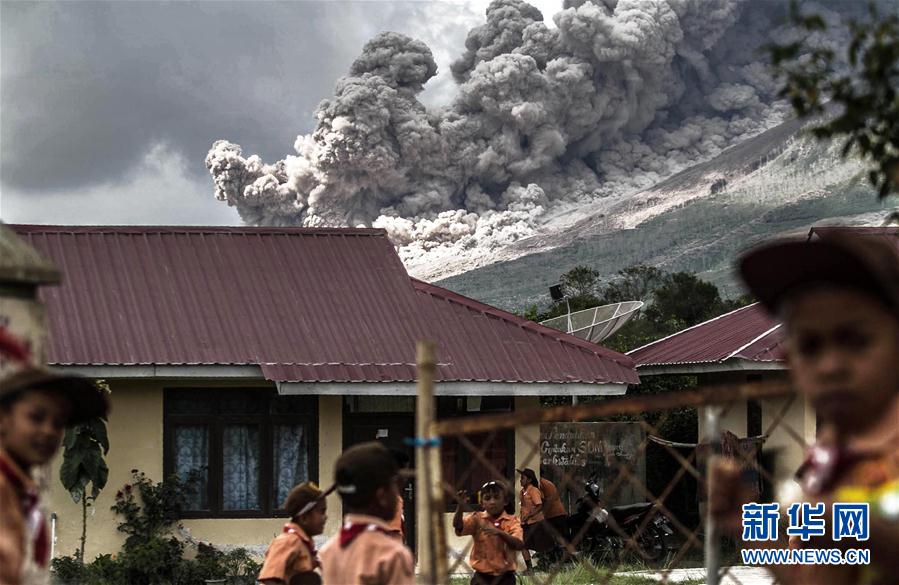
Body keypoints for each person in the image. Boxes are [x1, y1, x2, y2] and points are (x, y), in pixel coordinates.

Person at [711, 232, 899, 585]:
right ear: (790, 362)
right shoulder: (828, 457)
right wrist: (749, 527)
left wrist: (855, 525)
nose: (830, 366)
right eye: (810, 346)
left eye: (855, 340)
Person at [0, 366, 109, 585]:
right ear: (4, 418)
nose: (49, 431)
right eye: (36, 417)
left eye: (58, 423)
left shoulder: (21, 492)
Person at [319, 442, 414, 585]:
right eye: (394, 485)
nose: (398, 491)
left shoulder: (328, 551)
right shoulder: (392, 555)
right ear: (382, 495)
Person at [453, 480, 524, 585]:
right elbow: (458, 526)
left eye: (496, 497)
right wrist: (460, 507)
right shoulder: (477, 518)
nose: (492, 502)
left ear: (505, 501)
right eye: (487, 498)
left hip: (505, 577)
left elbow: (518, 544)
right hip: (482, 577)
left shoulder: (513, 521)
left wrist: (500, 533)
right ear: (482, 503)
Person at [258, 481, 328, 585]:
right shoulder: (288, 541)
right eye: (322, 512)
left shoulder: (304, 543)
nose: (325, 517)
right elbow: (270, 579)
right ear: (304, 518)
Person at [516, 468, 549, 572]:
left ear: (529, 480)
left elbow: (539, 506)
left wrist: (529, 515)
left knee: (540, 546)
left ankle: (544, 565)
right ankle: (529, 568)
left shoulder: (533, 490)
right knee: (523, 545)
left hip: (536, 522)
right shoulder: (523, 492)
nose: (520, 480)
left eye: (523, 478)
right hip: (526, 523)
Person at [536, 473, 570, 556]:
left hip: (552, 514)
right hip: (560, 512)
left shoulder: (540, 484)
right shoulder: (548, 482)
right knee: (562, 537)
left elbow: (542, 501)